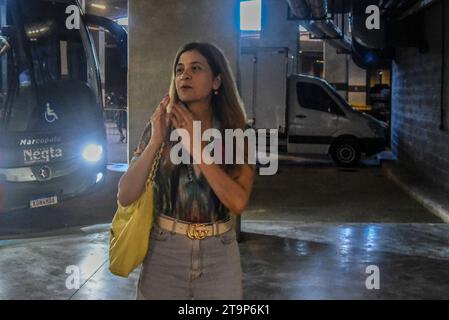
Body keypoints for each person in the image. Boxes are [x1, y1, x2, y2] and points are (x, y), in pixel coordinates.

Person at [117, 42, 256, 300]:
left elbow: (237, 202)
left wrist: (196, 147)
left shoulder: (237, 134)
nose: (184, 75)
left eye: (196, 68)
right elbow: (125, 195)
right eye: (179, 69)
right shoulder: (160, 127)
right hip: (165, 250)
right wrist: (156, 140)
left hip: (220, 253)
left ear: (216, 82)